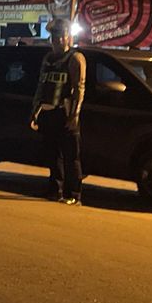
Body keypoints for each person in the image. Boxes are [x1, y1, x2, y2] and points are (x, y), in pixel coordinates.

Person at [28, 18, 87, 205]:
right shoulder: (48, 59)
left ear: (68, 37)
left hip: (65, 113)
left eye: (62, 36)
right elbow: (41, 86)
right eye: (55, 37)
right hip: (49, 113)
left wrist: (74, 115)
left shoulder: (75, 58)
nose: (58, 40)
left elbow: (79, 89)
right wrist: (35, 111)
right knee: (53, 155)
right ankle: (55, 190)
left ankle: (74, 194)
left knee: (71, 157)